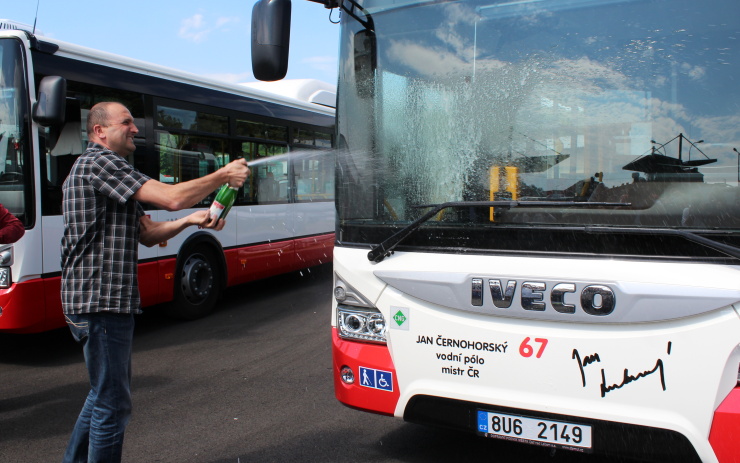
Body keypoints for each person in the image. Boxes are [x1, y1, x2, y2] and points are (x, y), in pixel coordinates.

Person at [60, 101, 249, 463]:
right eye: (126, 122)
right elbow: (171, 197)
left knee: (103, 396)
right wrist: (222, 175)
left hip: (99, 301)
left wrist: (192, 221)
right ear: (100, 131)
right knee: (113, 405)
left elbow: (147, 232)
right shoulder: (100, 162)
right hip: (101, 301)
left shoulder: (111, 171)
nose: (136, 128)